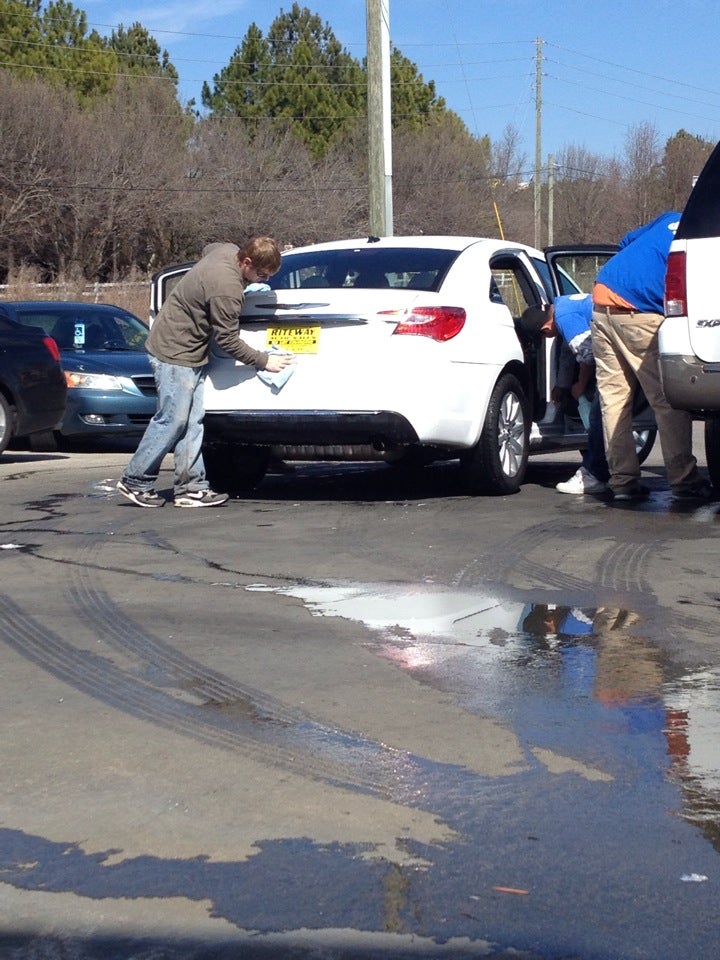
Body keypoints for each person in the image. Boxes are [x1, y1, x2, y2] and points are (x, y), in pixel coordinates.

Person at [117, 237, 293, 508]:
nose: (263, 280)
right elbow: (228, 340)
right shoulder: (227, 289)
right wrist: (263, 361)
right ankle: (135, 480)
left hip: (189, 349)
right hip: (174, 352)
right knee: (172, 420)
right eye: (261, 274)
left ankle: (191, 488)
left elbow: (209, 248)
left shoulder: (226, 251)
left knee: (192, 421)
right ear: (246, 262)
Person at [591, 211, 713, 502]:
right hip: (640, 313)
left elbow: (626, 241)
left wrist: (632, 274)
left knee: (614, 401)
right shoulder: (705, 234)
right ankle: (684, 480)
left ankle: (622, 482)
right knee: (668, 399)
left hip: (600, 299)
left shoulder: (670, 217)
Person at [538, 293, 610, 495]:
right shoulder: (564, 303)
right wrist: (561, 385)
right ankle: (620, 475)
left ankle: (594, 473)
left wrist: (580, 384)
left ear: (545, 327)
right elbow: (568, 351)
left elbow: (586, 353)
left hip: (619, 340)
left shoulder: (564, 318)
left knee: (598, 416)